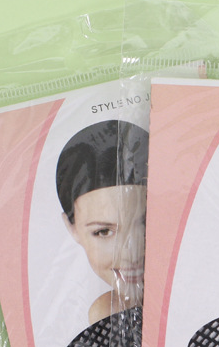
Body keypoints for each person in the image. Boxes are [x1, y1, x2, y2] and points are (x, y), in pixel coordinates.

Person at [56, 120, 149, 325]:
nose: (130, 254)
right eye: (104, 231)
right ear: (72, 228)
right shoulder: (105, 315)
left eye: (145, 223)